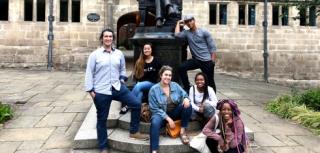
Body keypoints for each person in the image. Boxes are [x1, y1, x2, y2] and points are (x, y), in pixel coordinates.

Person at [84, 28, 149, 153]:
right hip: (101, 91)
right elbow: (89, 73)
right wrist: (91, 91)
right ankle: (103, 147)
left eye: (110, 36)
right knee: (102, 120)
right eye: (105, 36)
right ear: (102, 38)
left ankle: (134, 131)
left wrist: (122, 79)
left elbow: (123, 69)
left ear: (113, 39)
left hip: (118, 87)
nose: (108, 38)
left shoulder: (118, 53)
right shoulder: (95, 55)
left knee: (136, 104)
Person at [148, 65, 192, 153]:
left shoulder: (175, 85)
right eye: (166, 74)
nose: (168, 77)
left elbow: (184, 94)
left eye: (170, 75)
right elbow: (154, 108)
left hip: (174, 113)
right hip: (160, 115)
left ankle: (182, 132)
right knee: (154, 123)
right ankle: (154, 150)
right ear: (161, 75)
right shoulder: (153, 89)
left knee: (188, 105)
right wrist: (168, 119)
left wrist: (186, 99)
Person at [175, 15, 217, 93]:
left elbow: (212, 47)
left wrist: (212, 62)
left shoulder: (204, 32)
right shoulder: (187, 33)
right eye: (187, 22)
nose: (189, 23)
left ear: (194, 20)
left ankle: (213, 99)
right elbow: (177, 35)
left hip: (207, 61)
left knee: (210, 82)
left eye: (190, 20)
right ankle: (187, 87)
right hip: (196, 60)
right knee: (181, 67)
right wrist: (178, 23)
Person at [120, 43, 162, 114]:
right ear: (143, 50)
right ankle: (136, 112)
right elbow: (136, 76)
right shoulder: (140, 61)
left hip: (153, 84)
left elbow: (161, 74)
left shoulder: (156, 61)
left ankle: (127, 104)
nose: (147, 50)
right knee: (139, 95)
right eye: (145, 49)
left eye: (148, 48)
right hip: (141, 85)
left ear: (151, 50)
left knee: (139, 85)